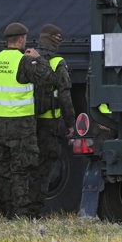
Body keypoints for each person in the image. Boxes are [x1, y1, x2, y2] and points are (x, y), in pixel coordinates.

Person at [0, 23, 56, 220]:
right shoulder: (23, 61)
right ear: (22, 39)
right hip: (20, 126)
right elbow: (50, 79)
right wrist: (39, 58)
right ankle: (19, 214)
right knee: (21, 171)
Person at [30, 24, 76, 214]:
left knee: (25, 166)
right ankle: (35, 210)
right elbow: (65, 95)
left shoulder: (28, 58)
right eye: (58, 37)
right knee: (44, 167)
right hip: (49, 123)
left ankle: (19, 208)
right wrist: (71, 123)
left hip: (27, 121)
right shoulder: (57, 62)